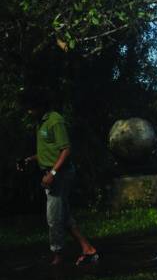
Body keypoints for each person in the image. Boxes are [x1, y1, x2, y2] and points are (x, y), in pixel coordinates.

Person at [17, 89, 98, 266]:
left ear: (39, 106)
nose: (29, 111)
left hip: (60, 175)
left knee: (53, 217)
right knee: (64, 216)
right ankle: (88, 249)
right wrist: (30, 159)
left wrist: (53, 173)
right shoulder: (40, 123)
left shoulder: (55, 121)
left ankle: (58, 257)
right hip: (50, 173)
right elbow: (48, 151)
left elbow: (66, 149)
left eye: (31, 108)